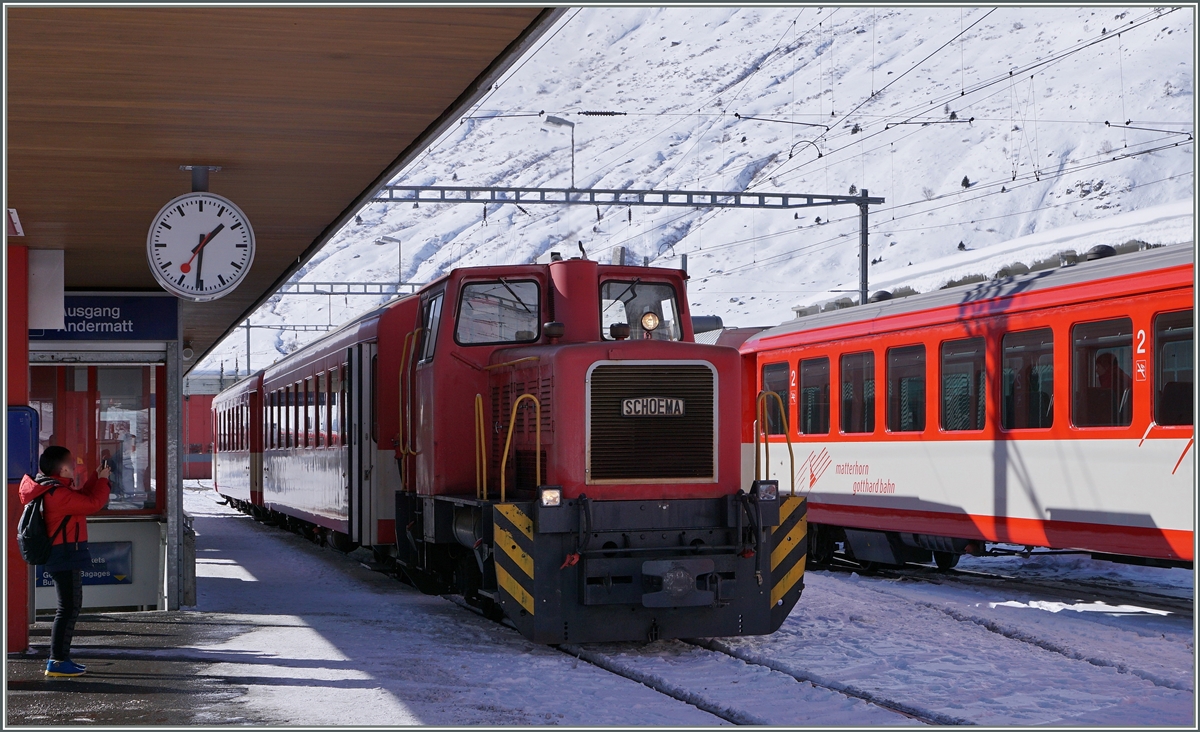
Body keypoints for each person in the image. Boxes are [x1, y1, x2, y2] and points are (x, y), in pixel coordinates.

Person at [18, 446, 111, 678]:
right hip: (65, 554)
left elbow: (82, 498)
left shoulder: (55, 489)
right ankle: (58, 660)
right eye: (71, 461)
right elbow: (92, 504)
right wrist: (103, 482)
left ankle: (59, 659)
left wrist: (95, 478)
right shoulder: (56, 494)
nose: (75, 465)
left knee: (69, 608)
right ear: (62, 467)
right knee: (68, 609)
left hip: (65, 552)